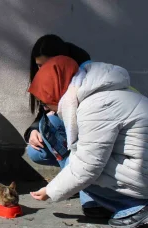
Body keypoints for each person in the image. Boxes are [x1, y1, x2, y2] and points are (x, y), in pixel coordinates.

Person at [28, 55, 148, 227]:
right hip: (139, 164)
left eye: (47, 103)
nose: (47, 108)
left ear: (57, 92)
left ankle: (137, 208)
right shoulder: (92, 91)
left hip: (143, 172)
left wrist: (51, 190)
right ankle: (106, 204)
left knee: (83, 173)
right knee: (74, 162)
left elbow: (87, 167)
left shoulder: (95, 106)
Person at [24, 35, 110, 218]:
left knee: (60, 131)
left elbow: (84, 151)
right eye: (38, 66)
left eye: (45, 66)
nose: (41, 70)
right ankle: (75, 183)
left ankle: (88, 196)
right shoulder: (58, 82)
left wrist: (55, 189)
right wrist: (34, 130)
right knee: (34, 151)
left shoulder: (80, 84)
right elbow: (45, 109)